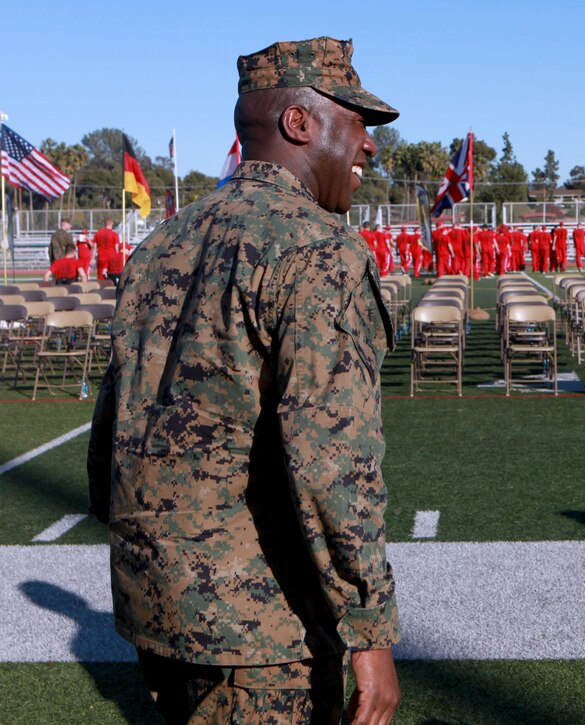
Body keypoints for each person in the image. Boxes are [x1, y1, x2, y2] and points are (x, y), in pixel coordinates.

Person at [87, 37, 402, 724]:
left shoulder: (162, 244)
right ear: (299, 122)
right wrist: (370, 627)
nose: (369, 147)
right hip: (258, 626)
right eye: (355, 122)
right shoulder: (318, 248)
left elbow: (112, 431)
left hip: (155, 607)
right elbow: (332, 458)